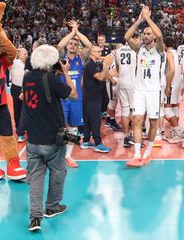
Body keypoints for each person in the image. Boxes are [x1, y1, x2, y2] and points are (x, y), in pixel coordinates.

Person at [22, 45, 78, 232]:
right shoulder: (52, 80)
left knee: (36, 178)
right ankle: (52, 206)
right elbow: (73, 94)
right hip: (52, 140)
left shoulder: (27, 77)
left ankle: (35, 218)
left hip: (33, 139)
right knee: (58, 172)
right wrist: (66, 73)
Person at [124, 5, 165, 167]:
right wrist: (139, 21)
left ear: (153, 37)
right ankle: (137, 154)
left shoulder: (160, 50)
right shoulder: (139, 48)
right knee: (137, 120)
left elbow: (160, 35)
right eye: (144, 33)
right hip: (139, 91)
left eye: (148, 34)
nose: (145, 35)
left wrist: (148, 18)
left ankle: (148, 152)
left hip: (154, 91)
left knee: (153, 122)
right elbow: (127, 36)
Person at [56, 20, 92, 168]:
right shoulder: (61, 59)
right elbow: (59, 46)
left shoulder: (81, 59)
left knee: (74, 127)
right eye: (70, 44)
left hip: (76, 99)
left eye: (75, 44)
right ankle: (58, 155)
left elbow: (89, 46)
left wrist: (77, 31)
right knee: (60, 127)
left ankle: (68, 156)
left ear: (78, 48)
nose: (72, 45)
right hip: (62, 98)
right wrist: (72, 33)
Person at [81, 46, 112, 153]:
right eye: (98, 51)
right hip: (91, 97)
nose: (101, 52)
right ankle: (97, 143)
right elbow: (100, 77)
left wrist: (106, 65)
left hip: (95, 96)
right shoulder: (89, 64)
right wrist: (107, 64)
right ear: (91, 53)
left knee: (89, 120)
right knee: (95, 121)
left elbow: (106, 75)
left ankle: (85, 141)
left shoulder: (97, 64)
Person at [115, 34, 138, 147]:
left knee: (124, 110)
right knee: (134, 111)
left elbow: (118, 68)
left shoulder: (118, 50)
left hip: (121, 81)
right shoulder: (136, 51)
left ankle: (126, 136)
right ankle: (133, 136)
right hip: (133, 83)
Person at [10, 48, 28, 142]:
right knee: (17, 108)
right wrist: (14, 50)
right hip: (16, 88)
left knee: (27, 109)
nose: (26, 55)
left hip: (27, 88)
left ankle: (25, 126)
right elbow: (9, 55)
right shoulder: (15, 62)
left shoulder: (29, 64)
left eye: (27, 53)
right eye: (24, 53)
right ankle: (18, 127)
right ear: (19, 54)